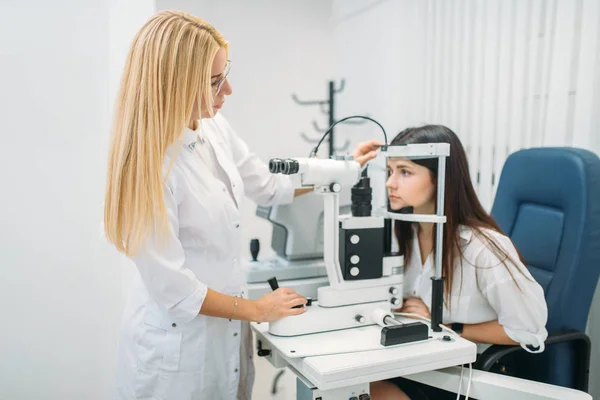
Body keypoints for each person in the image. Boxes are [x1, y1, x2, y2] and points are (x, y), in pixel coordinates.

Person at [103, 10, 324, 399]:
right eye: (214, 81)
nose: (228, 91)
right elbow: (177, 290)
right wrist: (258, 310)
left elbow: (270, 186)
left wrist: (338, 170)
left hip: (226, 336)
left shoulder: (212, 126)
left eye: (225, 74)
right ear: (172, 84)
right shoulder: (150, 166)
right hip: (176, 356)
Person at [352, 126, 548, 400]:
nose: (390, 183)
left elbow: (527, 332)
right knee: (349, 384)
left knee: (368, 393)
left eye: (405, 172)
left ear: (442, 177)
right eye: (389, 171)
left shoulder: (483, 248)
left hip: (471, 375)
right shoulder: (402, 233)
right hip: (421, 363)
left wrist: (442, 324)